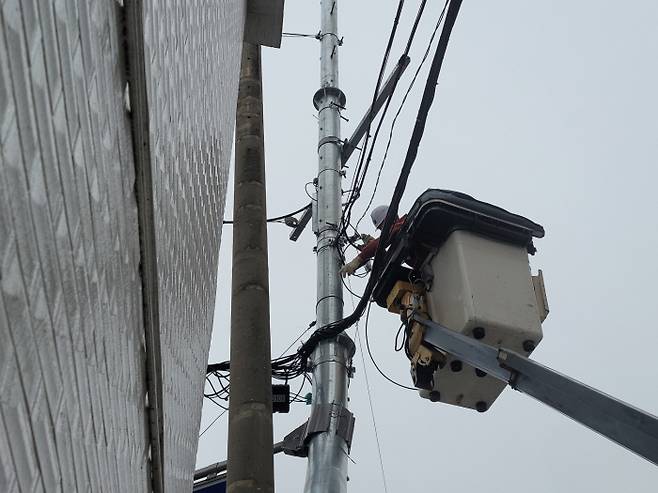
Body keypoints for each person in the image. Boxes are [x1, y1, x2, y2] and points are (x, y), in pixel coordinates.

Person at [339, 205, 407, 277]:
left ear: (390, 218)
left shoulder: (405, 223)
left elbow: (384, 239)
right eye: (380, 228)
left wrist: (358, 260)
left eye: (382, 226)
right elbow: (387, 258)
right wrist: (370, 245)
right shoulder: (399, 241)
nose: (382, 231)